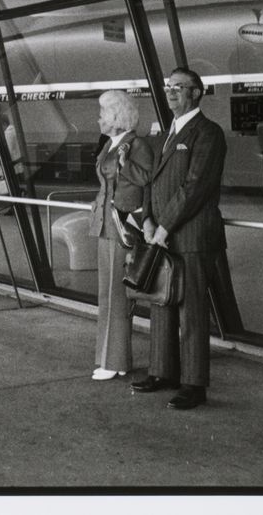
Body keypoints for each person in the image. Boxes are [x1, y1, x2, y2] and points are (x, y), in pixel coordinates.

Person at [131, 67, 227, 411]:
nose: (170, 92)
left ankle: (193, 383)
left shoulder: (208, 133)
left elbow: (196, 186)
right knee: (162, 302)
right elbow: (152, 183)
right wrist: (146, 220)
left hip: (191, 235)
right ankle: (162, 371)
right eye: (168, 87)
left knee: (191, 311)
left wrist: (164, 226)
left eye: (178, 87)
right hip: (161, 234)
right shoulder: (166, 133)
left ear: (196, 93)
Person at [87, 90, 154, 381]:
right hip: (105, 224)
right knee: (107, 294)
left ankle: (114, 361)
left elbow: (146, 178)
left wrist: (125, 163)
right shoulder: (111, 144)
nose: (99, 118)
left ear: (115, 117)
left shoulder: (135, 145)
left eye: (103, 113)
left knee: (115, 296)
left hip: (121, 226)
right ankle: (113, 359)